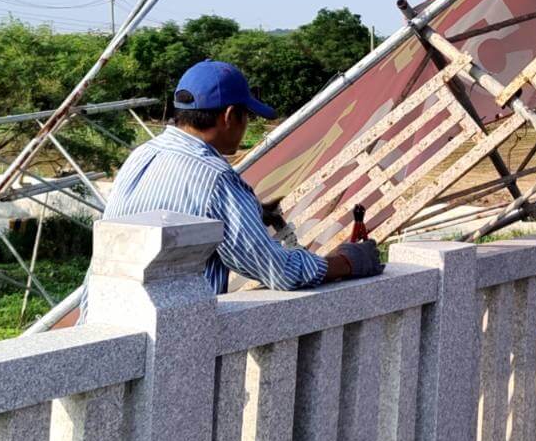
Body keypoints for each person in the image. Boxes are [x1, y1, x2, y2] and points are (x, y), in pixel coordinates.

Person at [104, 59, 381, 293]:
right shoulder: (215, 178)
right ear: (230, 115)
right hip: (171, 341)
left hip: (107, 326)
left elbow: (171, 211)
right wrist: (348, 261)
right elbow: (279, 271)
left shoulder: (142, 154)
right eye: (246, 115)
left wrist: (249, 212)